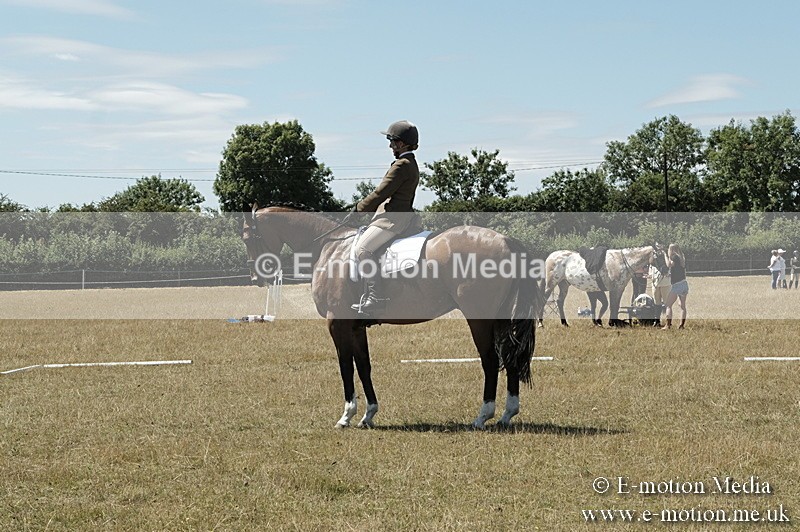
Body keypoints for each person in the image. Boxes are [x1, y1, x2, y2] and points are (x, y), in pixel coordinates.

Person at [345, 120, 421, 315]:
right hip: (400, 215)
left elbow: (380, 193)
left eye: (392, 141)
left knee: (363, 249)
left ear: (402, 144)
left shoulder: (402, 165)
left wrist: (358, 210)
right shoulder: (409, 162)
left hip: (393, 219)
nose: (390, 145)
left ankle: (375, 296)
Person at [661, 243, 688, 330]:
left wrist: (665, 255)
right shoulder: (681, 257)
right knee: (682, 306)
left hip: (677, 285)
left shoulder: (674, 257)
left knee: (668, 305)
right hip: (684, 283)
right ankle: (681, 325)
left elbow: (669, 264)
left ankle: (667, 325)